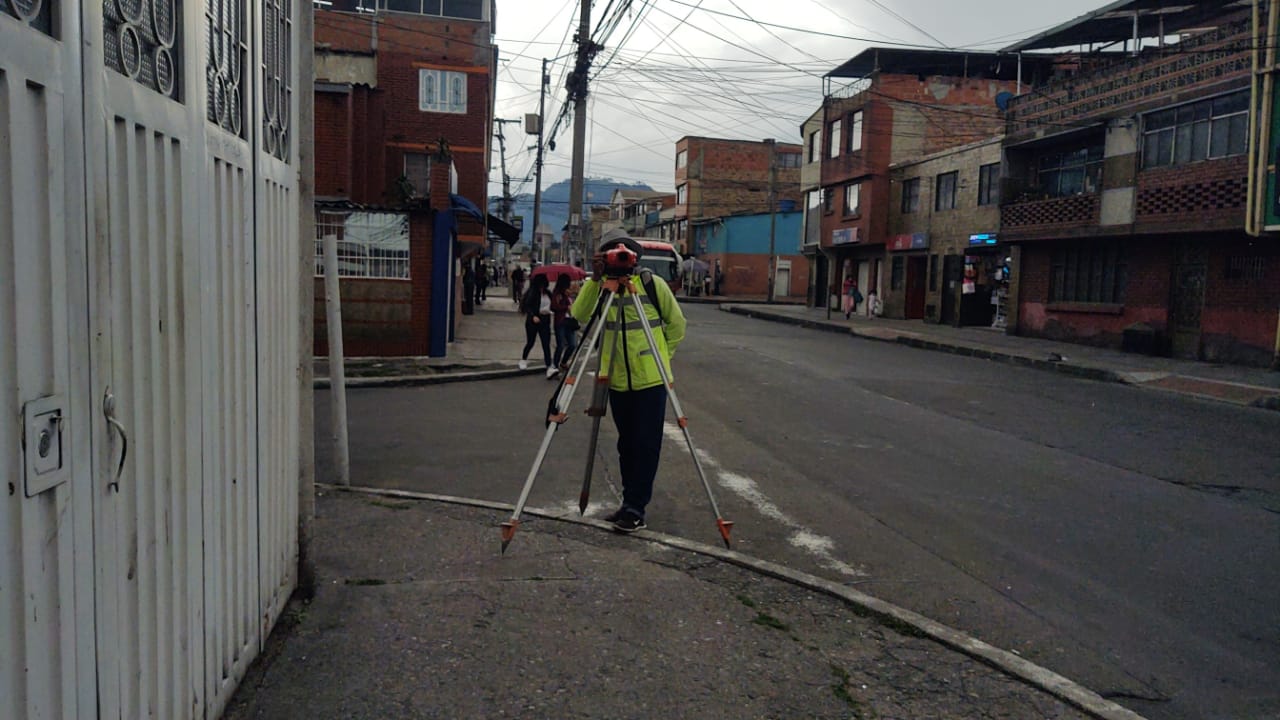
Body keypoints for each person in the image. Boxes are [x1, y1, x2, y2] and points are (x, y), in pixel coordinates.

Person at [570, 229, 686, 533]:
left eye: (624, 253)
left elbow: (677, 325)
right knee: (626, 445)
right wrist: (595, 280)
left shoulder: (650, 284)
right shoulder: (601, 288)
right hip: (617, 381)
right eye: (612, 253)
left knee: (646, 445)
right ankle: (628, 502)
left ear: (634, 257)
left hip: (651, 382)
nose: (619, 258)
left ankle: (636, 508)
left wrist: (662, 356)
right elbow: (579, 314)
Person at [519, 273, 553, 373]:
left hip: (545, 320)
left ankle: (548, 365)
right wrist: (533, 316)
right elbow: (527, 306)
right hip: (533, 321)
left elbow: (553, 304)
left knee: (546, 344)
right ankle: (523, 359)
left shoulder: (548, 293)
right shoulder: (532, 293)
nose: (542, 285)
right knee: (530, 342)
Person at [550, 274, 578, 375]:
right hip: (561, 321)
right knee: (560, 345)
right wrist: (566, 307)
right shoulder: (557, 293)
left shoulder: (568, 294)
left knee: (572, 344)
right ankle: (555, 365)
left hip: (569, 321)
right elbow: (554, 307)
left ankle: (564, 362)